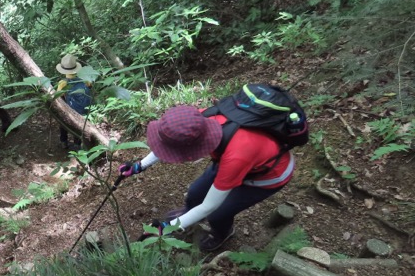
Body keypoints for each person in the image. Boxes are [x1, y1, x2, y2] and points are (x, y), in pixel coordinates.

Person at [118, 105, 296, 252]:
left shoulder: (236, 155)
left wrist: (166, 227)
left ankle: (222, 233)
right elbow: (168, 143)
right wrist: (139, 166)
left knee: (218, 214)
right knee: (195, 193)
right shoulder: (197, 122)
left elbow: (209, 206)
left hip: (266, 176)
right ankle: (188, 215)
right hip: (231, 158)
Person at [55, 54, 93, 151]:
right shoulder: (85, 79)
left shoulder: (62, 83)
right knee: (79, 126)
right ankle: (77, 144)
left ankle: (64, 142)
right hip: (84, 111)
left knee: (62, 122)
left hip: (71, 111)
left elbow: (58, 96)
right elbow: (90, 87)